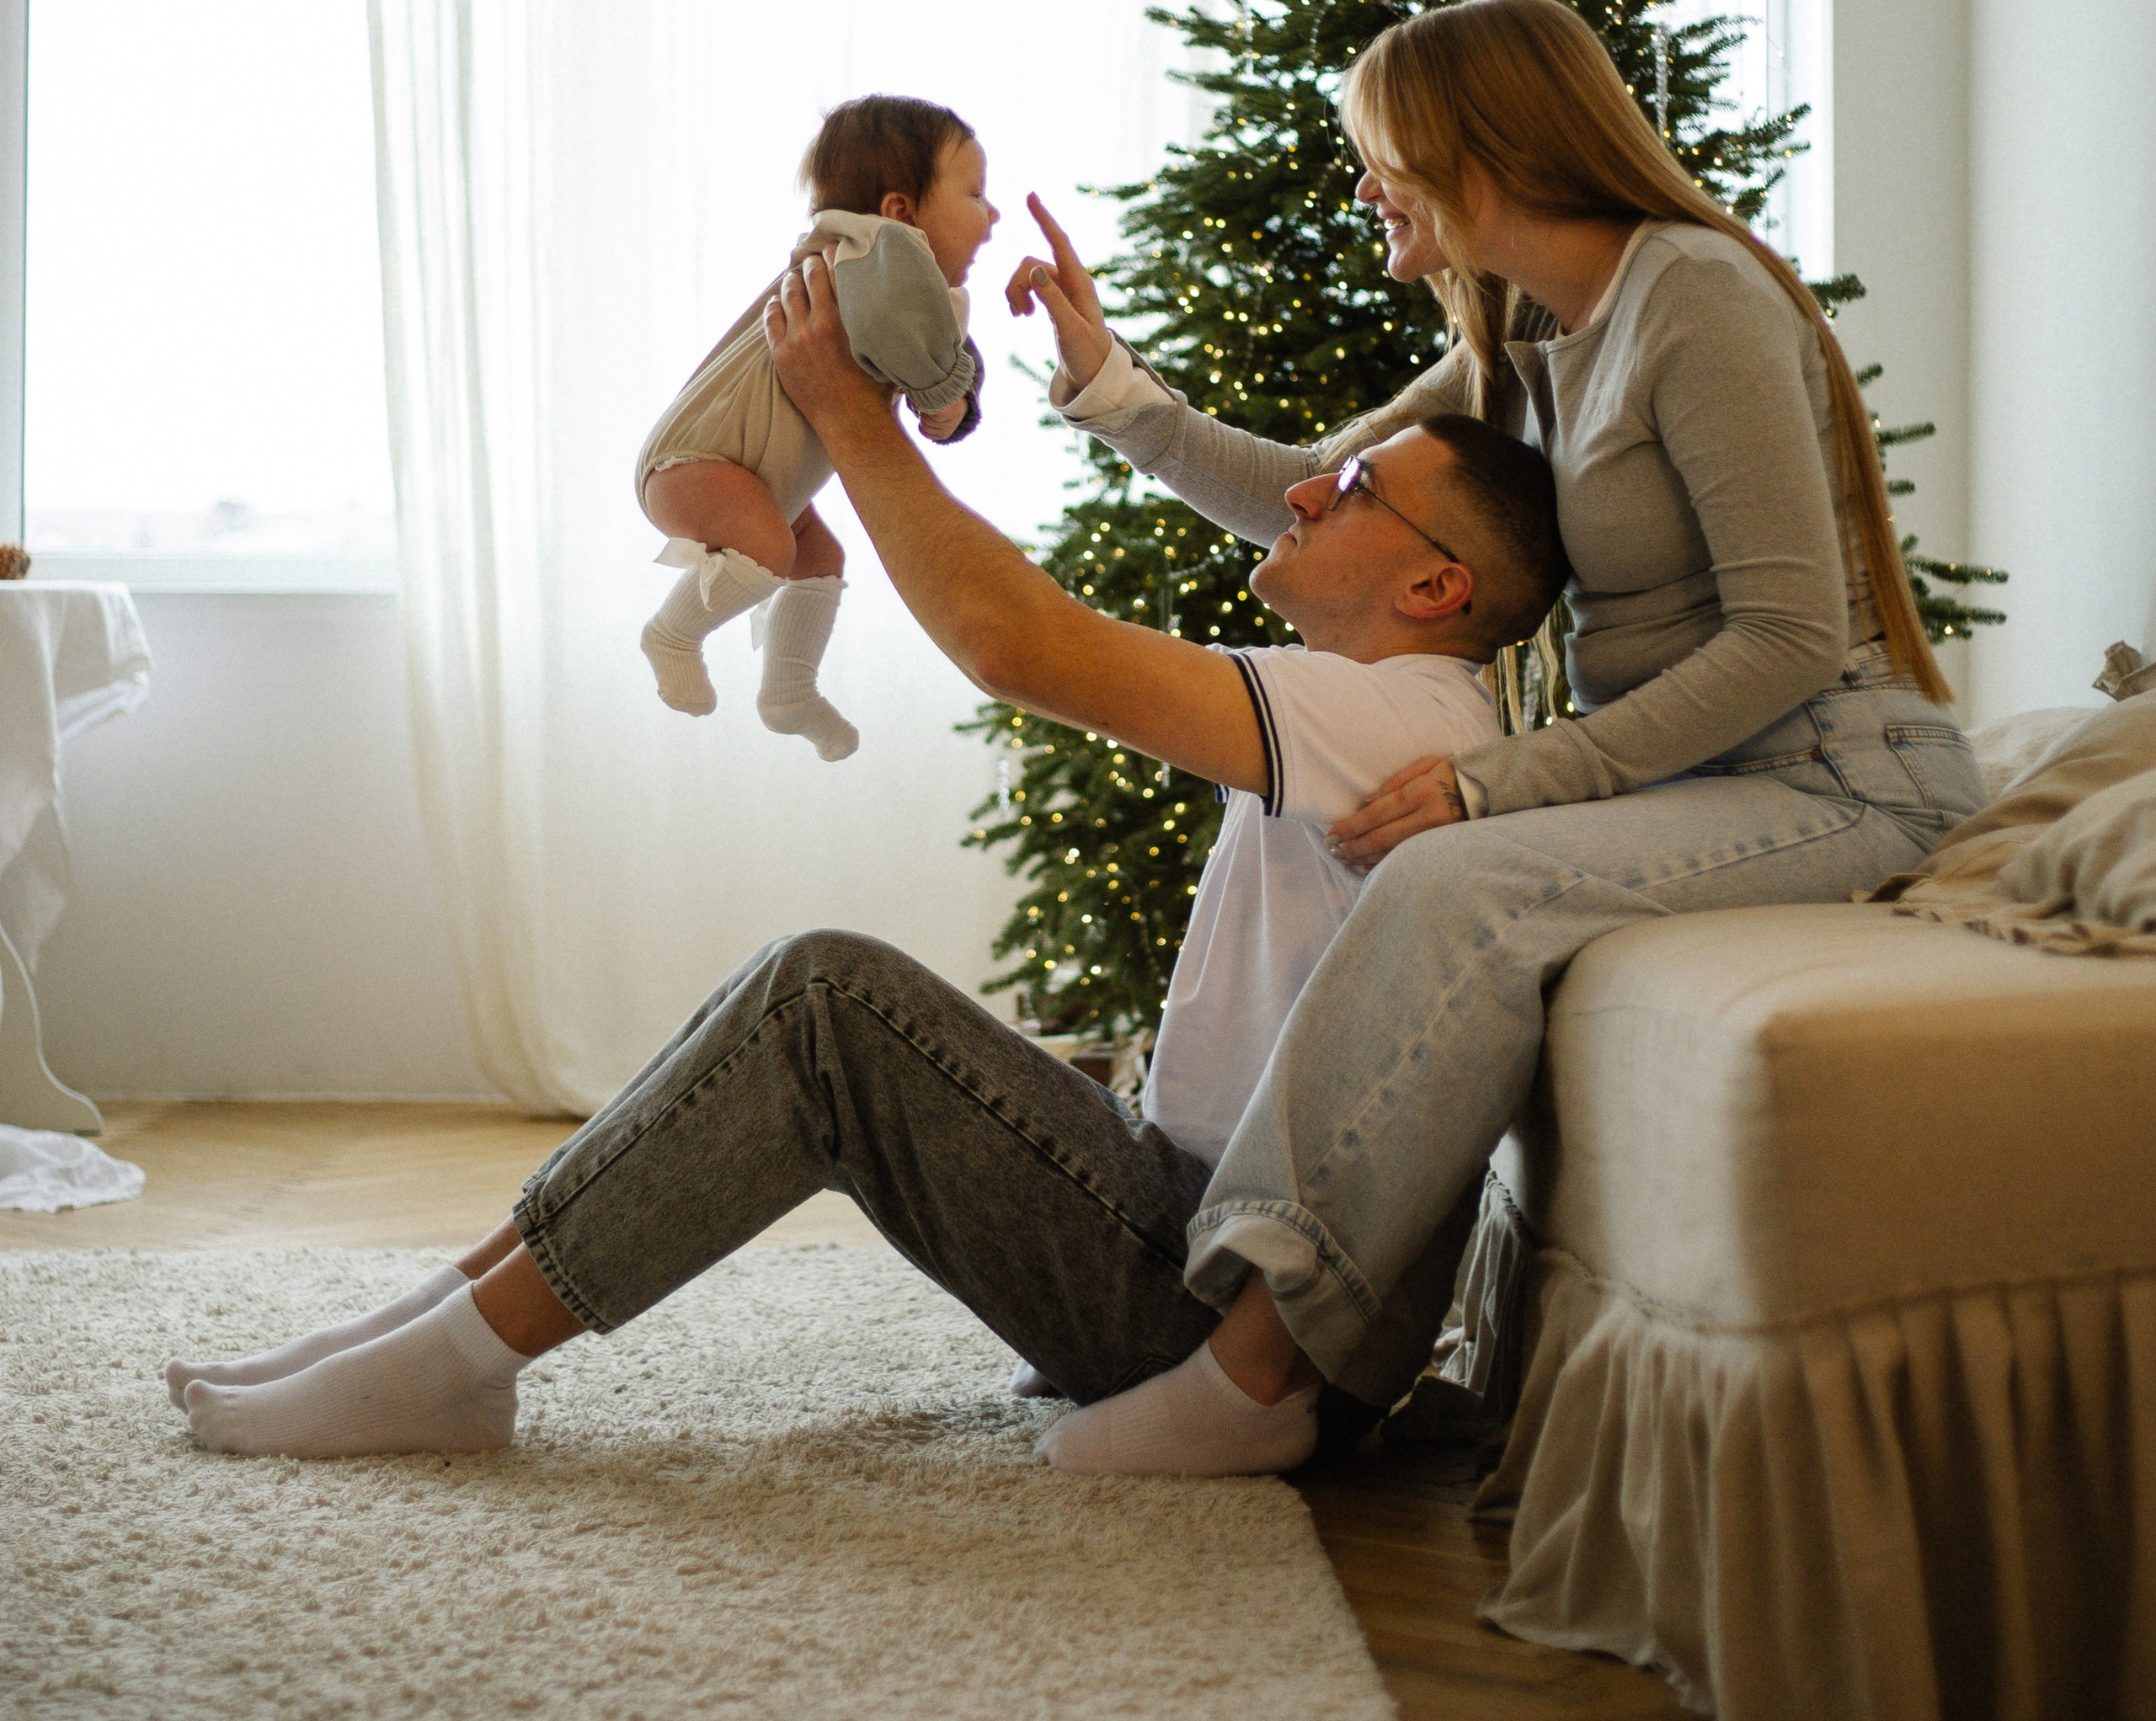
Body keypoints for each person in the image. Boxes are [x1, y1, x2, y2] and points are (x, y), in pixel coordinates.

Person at [165, 278, 1567, 1476]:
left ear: (1439, 592)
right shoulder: (1385, 706)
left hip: (1188, 1296)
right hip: (1178, 1224)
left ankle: (449, 1363)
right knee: (804, 994)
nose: (1313, 484)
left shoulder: (1401, 712)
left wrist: (848, 415)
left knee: (827, 998)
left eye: (1364, 487)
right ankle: (432, 1332)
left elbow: (1015, 642)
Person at [1016, 0, 1989, 1436]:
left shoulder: (1696, 297)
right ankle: (1228, 1308)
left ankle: (1260, 1369)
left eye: (1382, 153)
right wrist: (1112, 387)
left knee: (1458, 880)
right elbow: (1305, 483)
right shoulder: (1533, 348)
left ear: (1482, 145)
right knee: (1445, 865)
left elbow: (1788, 636)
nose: (1363, 188)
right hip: (1710, 781)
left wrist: (1510, 780)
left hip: (1847, 772)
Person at [635, 93, 996, 757]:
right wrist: (944, 390)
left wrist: (951, 402)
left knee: (819, 557)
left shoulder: (887, 275)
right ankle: (673, 633)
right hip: (696, 465)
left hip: (754, 477)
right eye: (975, 194)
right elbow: (911, 342)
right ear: (899, 211)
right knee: (770, 548)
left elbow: (930, 345)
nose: (993, 216)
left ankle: (789, 692)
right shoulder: (865, 255)